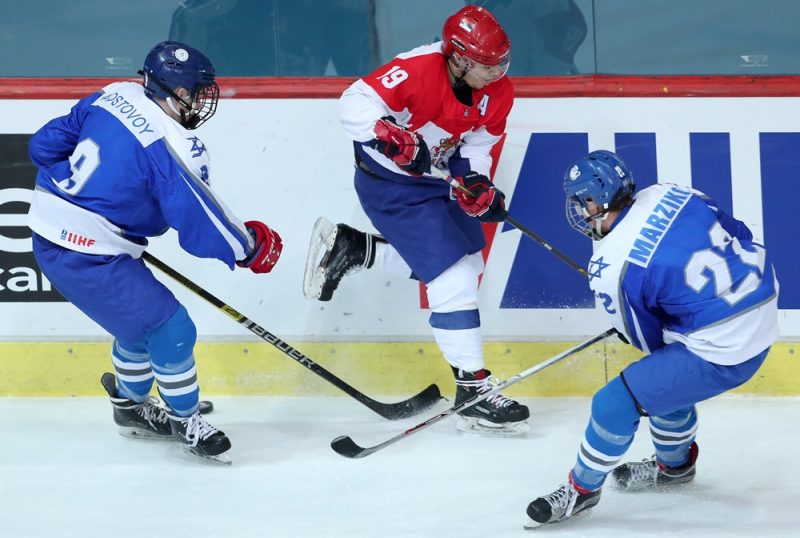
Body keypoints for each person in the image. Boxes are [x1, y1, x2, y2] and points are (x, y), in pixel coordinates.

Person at [27, 41, 283, 464]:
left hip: (58, 235)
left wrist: (94, 196)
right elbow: (200, 218)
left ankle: (130, 409)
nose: (200, 100)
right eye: (197, 91)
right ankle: (186, 421)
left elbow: (44, 145)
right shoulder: (174, 146)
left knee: (137, 328)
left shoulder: (114, 94)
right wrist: (250, 248)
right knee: (171, 328)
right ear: (179, 92)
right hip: (85, 252)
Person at [303, 4, 529, 434]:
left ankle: (357, 249)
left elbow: (480, 141)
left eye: (502, 63)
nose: (498, 73)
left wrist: (475, 179)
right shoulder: (418, 69)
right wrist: (387, 133)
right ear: (459, 58)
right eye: (488, 65)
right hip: (392, 185)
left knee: (469, 265)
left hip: (436, 180)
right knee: (453, 279)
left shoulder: (498, 91)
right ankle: (473, 390)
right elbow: (354, 101)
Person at [524, 150, 779, 527]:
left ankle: (581, 491)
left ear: (596, 201)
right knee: (660, 386)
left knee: (614, 402)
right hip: (763, 300)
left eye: (582, 201)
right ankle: (675, 468)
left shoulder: (613, 265)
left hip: (727, 349)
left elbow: (646, 342)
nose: (580, 209)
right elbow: (737, 231)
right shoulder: (671, 192)